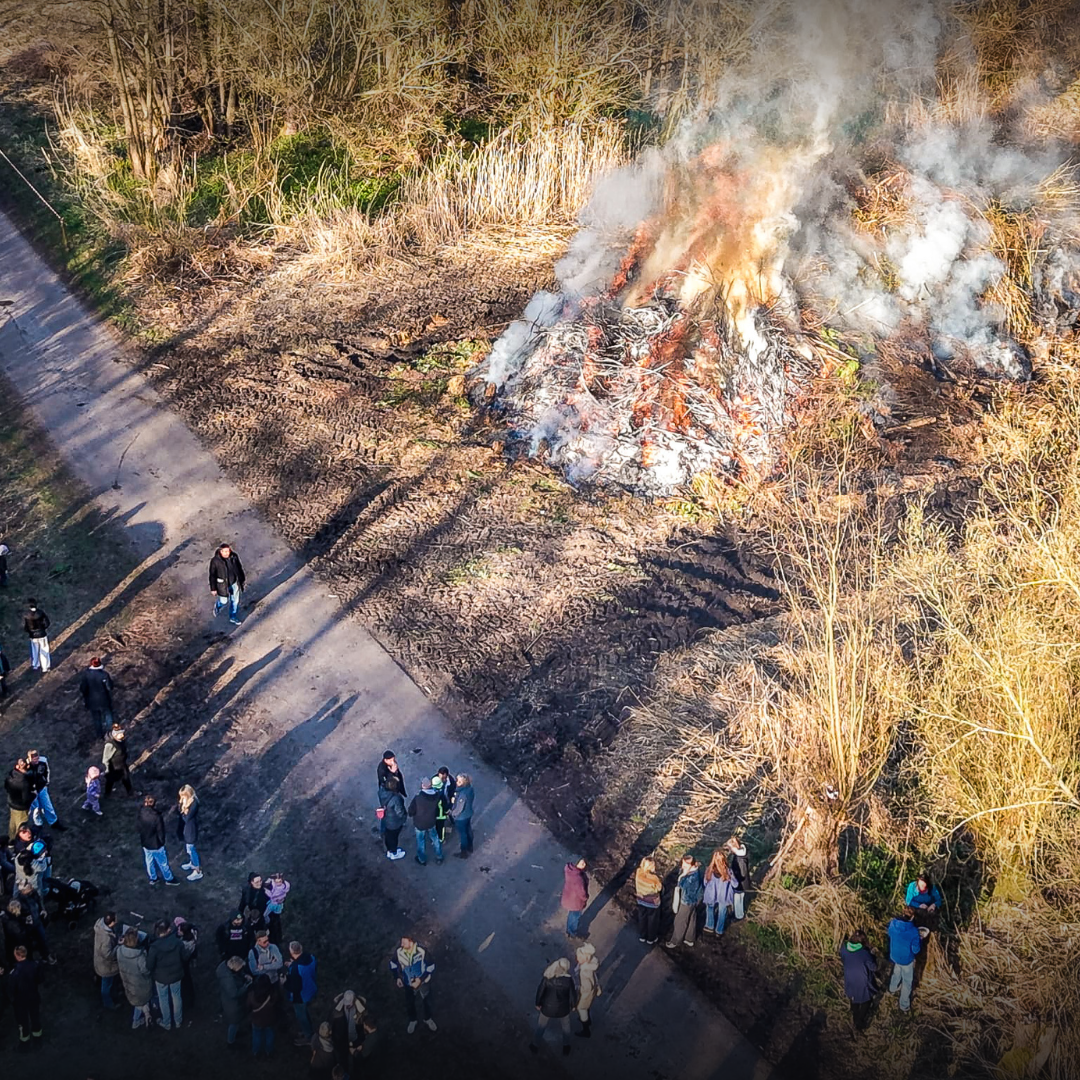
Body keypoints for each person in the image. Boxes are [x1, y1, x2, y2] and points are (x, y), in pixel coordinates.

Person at [529, 957, 577, 1056]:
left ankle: (535, 1045)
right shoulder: (568, 980)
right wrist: (573, 1005)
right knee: (566, 1027)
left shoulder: (548, 977)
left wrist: (538, 1004)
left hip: (547, 1008)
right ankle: (566, 1046)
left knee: (541, 1027)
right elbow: (573, 994)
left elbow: (540, 992)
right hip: (563, 1009)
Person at [389, 935, 436, 1034]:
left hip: (423, 982)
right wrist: (397, 977)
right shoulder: (399, 952)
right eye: (401, 942)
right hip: (408, 983)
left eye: (404, 942)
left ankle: (428, 1018)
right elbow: (393, 964)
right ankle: (413, 1020)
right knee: (410, 1003)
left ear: (411, 942)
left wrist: (421, 979)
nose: (401, 945)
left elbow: (431, 966)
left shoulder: (422, 951)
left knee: (427, 1001)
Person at [148, 919, 185, 1029]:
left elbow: (149, 965)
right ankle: (178, 1021)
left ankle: (167, 1022)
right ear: (168, 930)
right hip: (176, 975)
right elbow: (184, 957)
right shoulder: (178, 942)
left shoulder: (154, 947)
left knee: (163, 999)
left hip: (161, 977)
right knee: (177, 998)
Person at [886, 907, 924, 1013]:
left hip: (894, 955)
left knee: (896, 972)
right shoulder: (914, 931)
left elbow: (889, 934)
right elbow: (915, 950)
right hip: (907, 960)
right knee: (907, 982)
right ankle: (904, 1005)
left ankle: (892, 988)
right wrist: (920, 940)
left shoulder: (893, 923)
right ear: (912, 917)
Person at [840, 929, 878, 1033]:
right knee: (866, 1000)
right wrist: (873, 955)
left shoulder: (844, 948)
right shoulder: (865, 954)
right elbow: (874, 967)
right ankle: (859, 1023)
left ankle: (854, 1013)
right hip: (862, 981)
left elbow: (843, 958)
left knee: (853, 997)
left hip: (850, 978)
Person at [117, 927, 153, 1030]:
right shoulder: (140, 956)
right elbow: (146, 971)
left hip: (128, 982)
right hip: (141, 983)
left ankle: (144, 1016)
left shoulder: (119, 951)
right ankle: (137, 1020)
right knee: (142, 1000)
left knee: (137, 1001)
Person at [667, 854, 704, 949]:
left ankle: (675, 941)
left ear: (691, 865)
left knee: (680, 921)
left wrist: (681, 877)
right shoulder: (698, 871)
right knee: (692, 918)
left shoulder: (690, 878)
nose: (683, 866)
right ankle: (689, 939)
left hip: (686, 901)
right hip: (695, 900)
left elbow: (682, 886)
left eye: (685, 865)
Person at [138, 795, 177, 885]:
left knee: (149, 861)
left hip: (145, 842)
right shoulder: (157, 817)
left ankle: (153, 878)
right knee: (163, 862)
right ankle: (169, 879)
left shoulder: (141, 813)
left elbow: (138, 827)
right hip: (156, 844)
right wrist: (161, 842)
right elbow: (160, 832)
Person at [284, 940, 317, 1044]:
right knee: (305, 1012)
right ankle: (309, 1031)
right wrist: (293, 965)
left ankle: (308, 1036)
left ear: (292, 952)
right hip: (310, 988)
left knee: (301, 1016)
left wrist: (284, 982)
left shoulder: (296, 969)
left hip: (300, 996)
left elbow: (294, 987)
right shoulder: (311, 957)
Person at [9, 944, 43, 1046]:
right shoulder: (35, 966)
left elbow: (11, 990)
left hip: (21, 1002)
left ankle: (25, 1045)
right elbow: (40, 979)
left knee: (23, 1023)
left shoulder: (14, 973)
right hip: (34, 997)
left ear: (18, 956)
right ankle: (38, 1041)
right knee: (35, 1019)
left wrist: (13, 1000)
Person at [217, 954, 251, 1047]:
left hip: (229, 1002)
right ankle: (231, 1041)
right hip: (232, 1006)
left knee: (236, 1022)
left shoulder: (224, 968)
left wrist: (244, 976)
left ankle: (235, 1033)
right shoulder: (229, 980)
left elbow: (238, 974)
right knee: (234, 1023)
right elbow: (234, 994)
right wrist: (246, 986)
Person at [408, 777, 443, 866]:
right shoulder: (437, 796)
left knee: (421, 841)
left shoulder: (418, 798)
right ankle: (439, 856)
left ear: (423, 786)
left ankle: (422, 859)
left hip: (420, 823)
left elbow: (411, 811)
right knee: (435, 838)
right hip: (431, 822)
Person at [209, 543, 246, 625]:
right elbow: (212, 575)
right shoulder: (215, 561)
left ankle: (233, 617)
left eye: (228, 551)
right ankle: (218, 605)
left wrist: (242, 579)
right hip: (222, 585)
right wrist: (213, 588)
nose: (226, 553)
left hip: (234, 583)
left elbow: (239, 568)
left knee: (235, 601)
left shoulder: (234, 557)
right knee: (224, 601)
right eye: (224, 551)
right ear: (220, 551)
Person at [26, 750, 62, 830]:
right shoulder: (26, 766)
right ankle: (38, 824)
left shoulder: (43, 761)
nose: (36, 761)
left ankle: (54, 822)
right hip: (31, 791)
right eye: (34, 759)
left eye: (37, 758)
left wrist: (46, 782)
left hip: (42, 787)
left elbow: (47, 771)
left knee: (48, 805)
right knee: (35, 809)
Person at [703, 848, 736, 936]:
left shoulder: (709, 870)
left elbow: (705, 883)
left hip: (711, 894)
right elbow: (735, 884)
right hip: (723, 896)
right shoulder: (728, 872)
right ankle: (719, 930)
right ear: (724, 860)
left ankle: (709, 926)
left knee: (710, 909)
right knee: (722, 912)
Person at [93, 911, 121, 1010]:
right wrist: (118, 946)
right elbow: (108, 955)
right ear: (112, 922)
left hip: (99, 961)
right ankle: (108, 1002)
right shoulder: (106, 939)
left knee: (107, 982)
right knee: (106, 984)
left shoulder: (100, 926)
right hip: (107, 967)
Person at [331, 989, 367, 1062]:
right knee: (343, 1058)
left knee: (357, 1059)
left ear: (353, 1000)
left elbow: (365, 1023)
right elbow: (332, 1024)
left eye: (349, 1003)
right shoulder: (336, 1010)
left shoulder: (361, 1009)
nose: (347, 1005)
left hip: (356, 1039)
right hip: (342, 1040)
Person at [377, 750, 406, 839]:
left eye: (393, 759)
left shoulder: (391, 764)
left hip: (394, 790)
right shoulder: (382, 769)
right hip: (388, 792)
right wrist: (393, 773)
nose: (393, 762)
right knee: (386, 810)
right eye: (390, 760)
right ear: (385, 760)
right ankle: (383, 830)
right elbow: (387, 784)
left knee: (393, 807)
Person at [574, 942, 600, 1038]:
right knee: (586, 1007)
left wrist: (579, 990)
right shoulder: (589, 965)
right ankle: (588, 1020)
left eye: (579, 958)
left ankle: (586, 1030)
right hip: (590, 993)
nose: (577, 959)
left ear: (586, 958)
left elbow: (587, 986)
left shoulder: (584, 971)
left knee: (581, 1008)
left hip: (586, 993)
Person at [634, 856, 663, 944]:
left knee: (642, 917)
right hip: (652, 903)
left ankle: (642, 936)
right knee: (652, 920)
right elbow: (659, 888)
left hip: (641, 900)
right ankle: (651, 938)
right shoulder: (654, 878)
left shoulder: (638, 872)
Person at [248, 973, 277, 1058]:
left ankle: (256, 1052)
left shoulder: (251, 995)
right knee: (269, 1034)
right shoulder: (273, 994)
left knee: (256, 1035)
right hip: (269, 1019)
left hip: (256, 1020)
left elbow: (248, 1006)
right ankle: (269, 1051)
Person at [177, 785, 202, 881]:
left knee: (191, 849)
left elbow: (187, 818)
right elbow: (180, 812)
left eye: (183, 796)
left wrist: (184, 811)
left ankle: (197, 870)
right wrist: (182, 807)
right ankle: (192, 863)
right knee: (189, 849)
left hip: (191, 829)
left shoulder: (194, 803)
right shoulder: (186, 803)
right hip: (186, 829)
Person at [379, 776, 407, 861]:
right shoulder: (396, 798)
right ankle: (394, 853)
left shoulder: (382, 792)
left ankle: (389, 850)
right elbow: (400, 812)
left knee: (388, 836)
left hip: (386, 818)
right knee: (394, 838)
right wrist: (404, 816)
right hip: (394, 822)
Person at [5, 758, 34, 837]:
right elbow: (26, 799)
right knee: (21, 826)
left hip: (11, 803)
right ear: (27, 767)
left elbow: (6, 787)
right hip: (21, 808)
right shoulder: (24, 783)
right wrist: (33, 795)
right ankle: (17, 843)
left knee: (13, 823)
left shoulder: (10, 776)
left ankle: (11, 840)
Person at [102, 723, 132, 796]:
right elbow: (105, 759)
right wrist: (107, 769)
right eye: (120, 734)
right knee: (110, 781)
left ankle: (130, 792)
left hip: (122, 765)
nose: (122, 735)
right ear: (115, 735)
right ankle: (107, 794)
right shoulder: (110, 745)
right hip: (113, 767)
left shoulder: (121, 741)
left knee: (126, 778)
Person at [562, 857, 589, 938]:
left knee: (571, 914)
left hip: (569, 899)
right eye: (582, 863)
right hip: (576, 902)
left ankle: (568, 929)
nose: (584, 865)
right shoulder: (578, 879)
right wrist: (585, 898)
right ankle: (572, 932)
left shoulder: (569, 870)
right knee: (576, 917)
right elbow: (582, 893)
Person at [23, 599, 51, 674]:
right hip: (42, 634)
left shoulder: (26, 615)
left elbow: (25, 627)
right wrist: (43, 629)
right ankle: (45, 667)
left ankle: (35, 665)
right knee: (44, 650)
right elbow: (47, 623)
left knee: (35, 651)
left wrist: (30, 631)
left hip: (33, 636)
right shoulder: (40, 613)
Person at [726, 836, 750, 920]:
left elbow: (743, 873)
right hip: (742, 882)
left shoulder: (740, 859)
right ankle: (740, 914)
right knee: (740, 898)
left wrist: (734, 876)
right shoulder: (742, 854)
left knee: (737, 899)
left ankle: (738, 915)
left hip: (740, 882)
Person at [451, 773, 475, 858]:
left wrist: (452, 813)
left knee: (463, 834)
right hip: (468, 813)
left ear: (463, 783)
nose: (456, 782)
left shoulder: (462, 794)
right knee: (468, 829)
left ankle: (463, 852)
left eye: (459, 781)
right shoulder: (470, 789)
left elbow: (459, 808)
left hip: (461, 817)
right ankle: (470, 846)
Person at [263, 871, 290, 944]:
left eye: (280, 881)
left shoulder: (285, 886)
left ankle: (269, 924)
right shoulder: (273, 885)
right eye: (276, 882)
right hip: (273, 903)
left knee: (273, 916)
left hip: (276, 904)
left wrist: (265, 890)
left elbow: (273, 895)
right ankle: (268, 923)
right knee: (267, 915)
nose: (278, 883)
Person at [431, 774, 452, 847]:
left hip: (432, 815)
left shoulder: (429, 793)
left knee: (434, 827)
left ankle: (433, 839)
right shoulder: (441, 796)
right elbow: (444, 806)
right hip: (441, 815)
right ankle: (441, 839)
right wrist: (447, 812)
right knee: (441, 828)